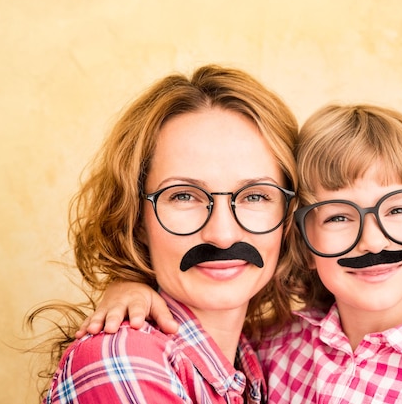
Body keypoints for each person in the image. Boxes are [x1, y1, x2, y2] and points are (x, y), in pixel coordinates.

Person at [77, 104, 402, 403]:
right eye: (338, 218)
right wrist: (129, 283)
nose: (374, 242)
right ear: (301, 240)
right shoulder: (276, 345)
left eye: (399, 209)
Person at [27, 64, 300, 403]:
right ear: (136, 218)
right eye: (183, 196)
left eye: (256, 196)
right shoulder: (124, 359)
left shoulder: (263, 360)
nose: (223, 235)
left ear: (289, 215)